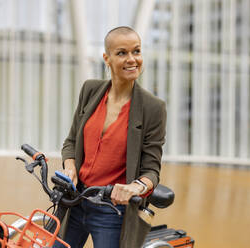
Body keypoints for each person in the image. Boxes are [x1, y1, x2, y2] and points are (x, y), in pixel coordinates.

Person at [56, 26, 167, 248]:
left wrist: (135, 188)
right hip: (75, 200)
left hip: (112, 211)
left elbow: (152, 171)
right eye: (122, 53)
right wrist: (70, 168)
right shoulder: (90, 90)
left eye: (136, 51)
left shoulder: (153, 108)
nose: (132, 59)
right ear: (107, 58)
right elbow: (71, 142)